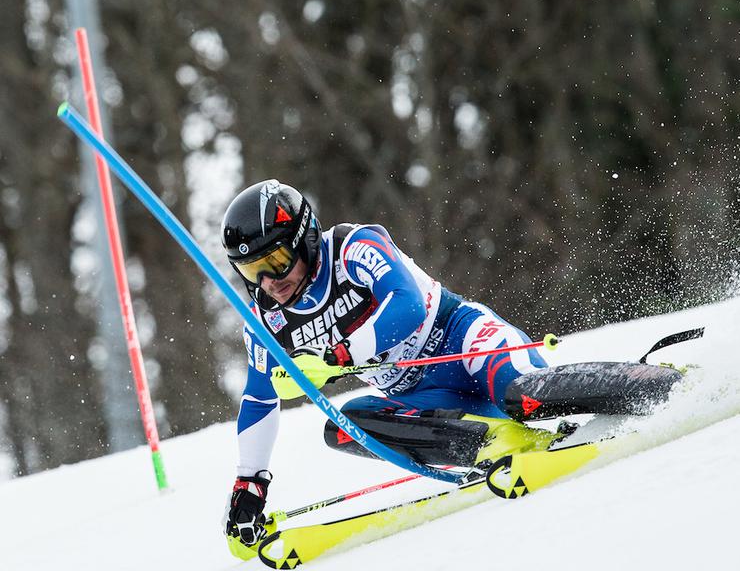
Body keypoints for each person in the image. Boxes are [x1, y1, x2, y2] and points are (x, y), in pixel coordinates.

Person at [220, 179, 682, 547]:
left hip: (464, 342)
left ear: (303, 241)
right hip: (422, 394)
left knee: (521, 393)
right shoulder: (265, 319)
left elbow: (406, 307)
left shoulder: (353, 247)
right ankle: (488, 442)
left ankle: (659, 383)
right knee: (344, 425)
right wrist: (249, 483)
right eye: (251, 271)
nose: (268, 281)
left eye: (276, 261)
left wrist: (338, 356)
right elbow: (260, 398)